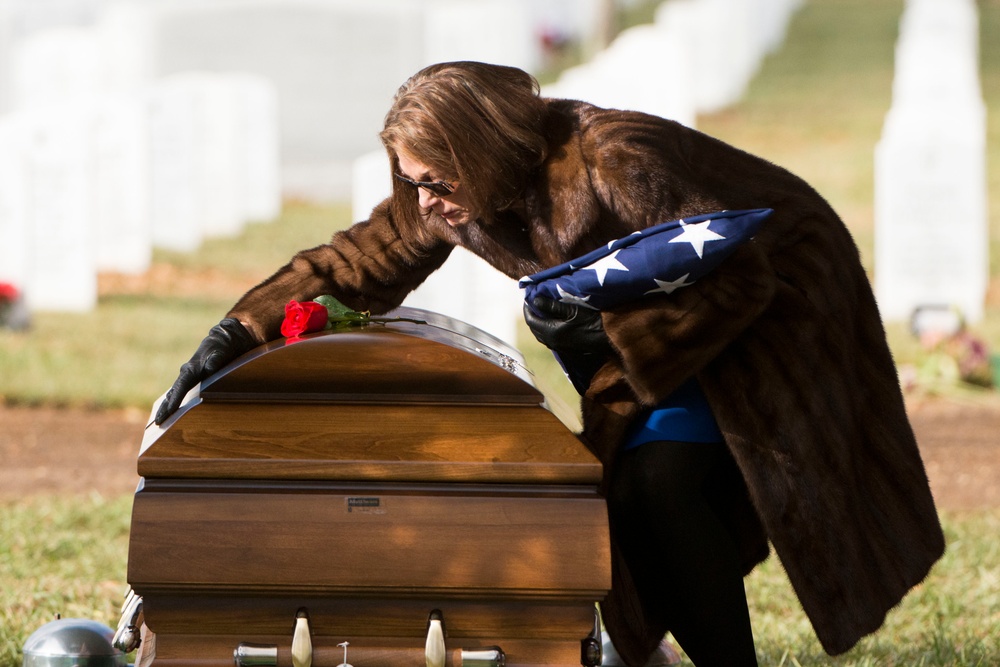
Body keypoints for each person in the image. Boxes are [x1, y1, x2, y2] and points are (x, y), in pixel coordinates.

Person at [154, 61, 944, 666]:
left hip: (772, 310)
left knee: (655, 482)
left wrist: (607, 336)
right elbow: (362, 257)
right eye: (412, 183)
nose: (424, 201)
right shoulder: (459, 193)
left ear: (482, 149)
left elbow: (738, 277)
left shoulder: (615, 158)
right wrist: (240, 328)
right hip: (660, 332)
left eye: (435, 181)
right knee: (632, 490)